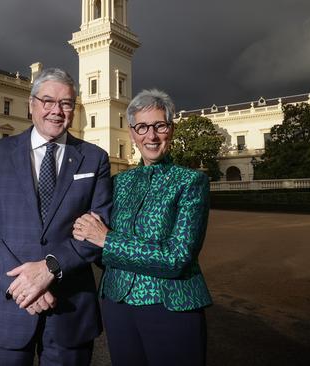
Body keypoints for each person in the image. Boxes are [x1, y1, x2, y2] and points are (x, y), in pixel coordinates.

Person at [0, 68, 112, 366]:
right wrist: (21, 284)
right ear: (31, 105)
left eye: (66, 103)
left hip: (69, 307)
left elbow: (99, 228)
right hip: (8, 303)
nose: (56, 111)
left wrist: (50, 269)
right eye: (47, 101)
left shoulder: (95, 158)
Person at [73, 89, 212, 366]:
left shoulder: (190, 182)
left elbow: (177, 258)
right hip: (118, 303)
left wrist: (108, 241)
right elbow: (99, 250)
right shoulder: (119, 183)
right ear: (133, 133)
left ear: (170, 129)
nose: (152, 135)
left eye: (160, 125)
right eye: (143, 127)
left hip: (171, 305)